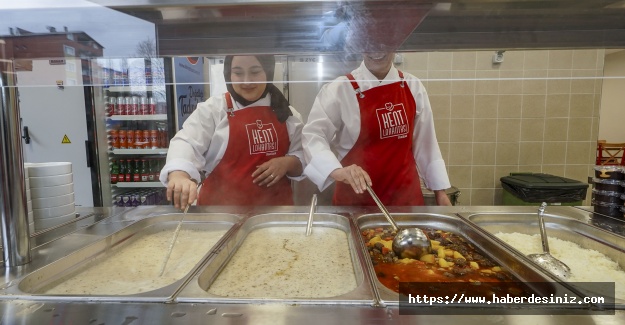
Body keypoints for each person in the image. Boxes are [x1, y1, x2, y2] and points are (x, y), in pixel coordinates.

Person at [302, 52, 452, 206]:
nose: (377, 51)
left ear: (395, 45)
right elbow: (313, 135)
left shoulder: (412, 85)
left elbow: (427, 144)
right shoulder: (340, 89)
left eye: (384, 44)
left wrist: (440, 193)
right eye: (370, 43)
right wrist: (337, 171)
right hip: (356, 203)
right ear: (361, 45)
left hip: (405, 202)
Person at [160, 55, 305, 209]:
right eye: (238, 73)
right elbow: (187, 142)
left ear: (268, 72)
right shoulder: (214, 110)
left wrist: (287, 163)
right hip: (219, 215)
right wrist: (179, 175)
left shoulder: (287, 114)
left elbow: (303, 155)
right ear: (228, 74)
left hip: (274, 216)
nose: (247, 81)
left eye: (255, 72)